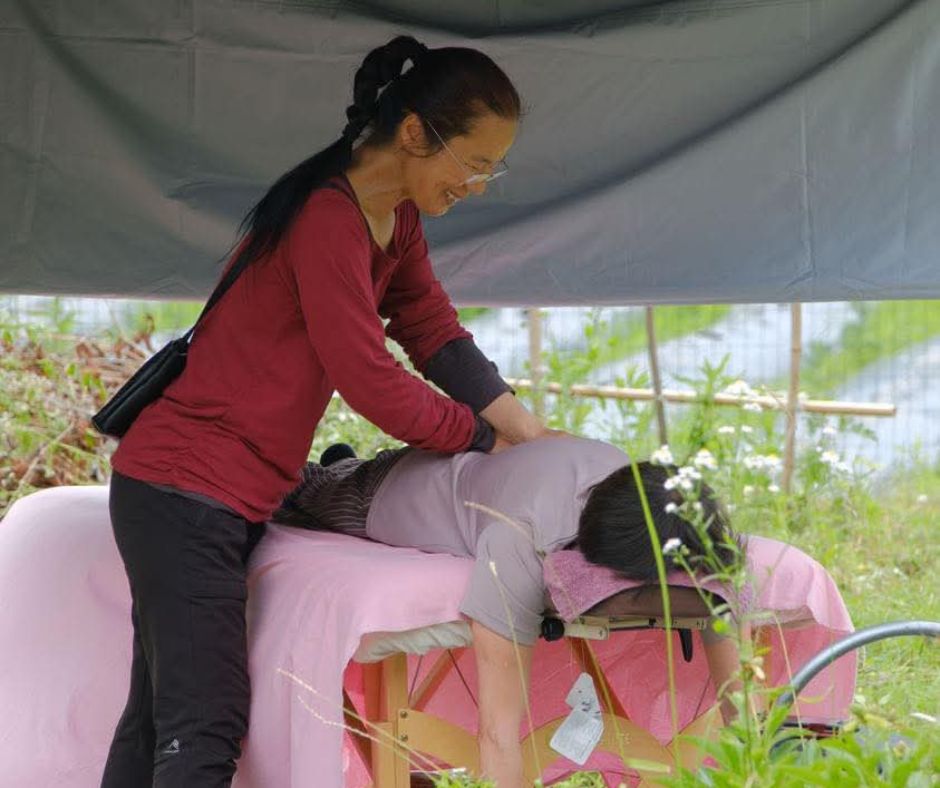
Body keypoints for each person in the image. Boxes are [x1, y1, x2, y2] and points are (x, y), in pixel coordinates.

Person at [102, 36, 551, 787]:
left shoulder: (396, 218)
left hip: (210, 493)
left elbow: (431, 329)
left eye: (491, 169)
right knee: (202, 724)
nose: (477, 186)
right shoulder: (327, 219)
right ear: (415, 133)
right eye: (473, 163)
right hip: (184, 489)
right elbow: (369, 380)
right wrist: (478, 436)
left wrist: (525, 430)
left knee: (160, 720)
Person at [275, 437, 743, 788]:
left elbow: (741, 701)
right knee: (303, 492)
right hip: (392, 491)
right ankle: (337, 466)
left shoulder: (659, 503)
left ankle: (344, 462)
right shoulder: (519, 537)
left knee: (344, 474)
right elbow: (497, 734)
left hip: (486, 469)